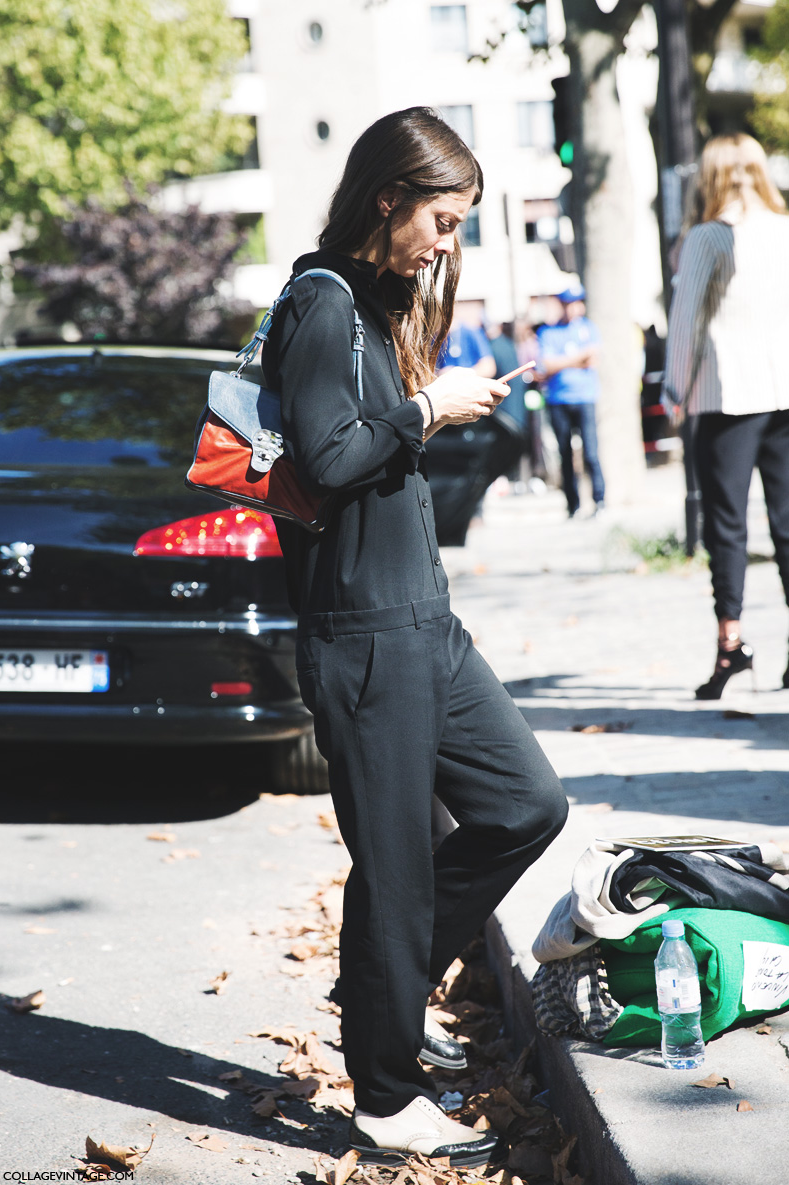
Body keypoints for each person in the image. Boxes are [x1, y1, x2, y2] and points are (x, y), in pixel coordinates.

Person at [262, 107, 568, 1167]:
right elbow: (331, 455)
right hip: (363, 633)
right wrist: (430, 409)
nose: (450, 241)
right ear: (386, 197)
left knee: (526, 804)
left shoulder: (371, 305)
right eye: (443, 218)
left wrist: (435, 398)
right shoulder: (319, 304)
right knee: (393, 869)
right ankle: (385, 1095)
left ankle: (379, 989)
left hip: (423, 623)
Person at [662, 132, 789, 700]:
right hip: (785, 390)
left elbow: (685, 322)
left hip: (726, 394)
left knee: (727, 526)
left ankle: (731, 646)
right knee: (788, 524)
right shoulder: (784, 230)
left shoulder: (707, 237)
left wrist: (673, 391)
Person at [535, 282, 606, 518]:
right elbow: (547, 364)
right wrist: (576, 360)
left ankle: (599, 500)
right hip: (558, 399)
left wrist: (562, 362)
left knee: (591, 453)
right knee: (565, 454)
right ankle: (573, 505)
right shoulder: (548, 332)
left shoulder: (589, 328)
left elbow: (592, 358)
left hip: (585, 397)